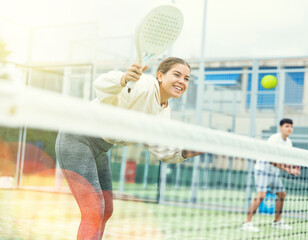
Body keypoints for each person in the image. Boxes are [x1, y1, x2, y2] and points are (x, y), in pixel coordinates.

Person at [55, 57, 202, 240]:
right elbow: (101, 84)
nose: (182, 81)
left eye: (186, 78)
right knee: (93, 209)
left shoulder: (164, 111)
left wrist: (185, 152)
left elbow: (160, 148)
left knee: (106, 209)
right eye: (177, 75)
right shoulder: (143, 85)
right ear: (160, 76)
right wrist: (123, 79)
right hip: (76, 137)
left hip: (100, 148)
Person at [241, 118, 301, 232]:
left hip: (274, 172)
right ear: (280, 128)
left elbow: (285, 160)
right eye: (287, 126)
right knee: (261, 195)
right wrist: (288, 170)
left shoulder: (288, 142)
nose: (289, 129)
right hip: (262, 170)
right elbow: (271, 161)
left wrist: (292, 168)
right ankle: (247, 223)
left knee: (282, 194)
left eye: (291, 126)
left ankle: (277, 221)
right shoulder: (274, 139)